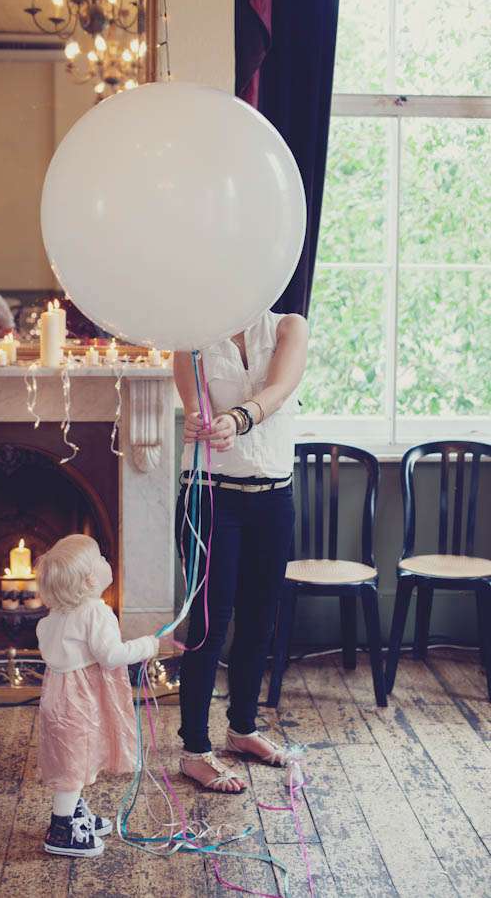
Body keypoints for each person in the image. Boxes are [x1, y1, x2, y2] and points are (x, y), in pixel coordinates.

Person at [174, 309, 308, 793]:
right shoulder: (193, 334)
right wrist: (197, 417)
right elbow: (192, 399)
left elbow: (279, 389)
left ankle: (243, 729)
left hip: (274, 496)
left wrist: (237, 418)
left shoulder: (289, 327)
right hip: (211, 495)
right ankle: (194, 751)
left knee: (259, 620)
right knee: (209, 625)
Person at [35, 534, 160, 858]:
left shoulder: (54, 616)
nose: (108, 561)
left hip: (58, 698)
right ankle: (61, 830)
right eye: (102, 558)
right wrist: (146, 646)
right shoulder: (95, 613)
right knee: (73, 767)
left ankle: (74, 812)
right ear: (91, 579)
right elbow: (111, 655)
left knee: (72, 756)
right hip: (80, 702)